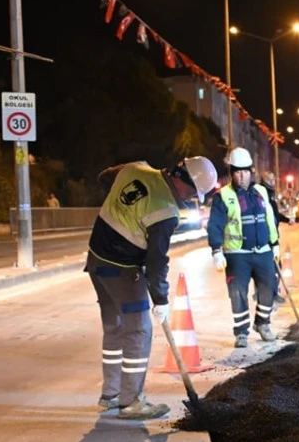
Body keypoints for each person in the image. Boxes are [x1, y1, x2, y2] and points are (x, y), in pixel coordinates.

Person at [86, 155, 218, 420]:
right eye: (194, 193)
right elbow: (157, 262)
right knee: (139, 330)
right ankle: (131, 401)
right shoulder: (166, 212)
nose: (191, 198)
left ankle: (110, 394)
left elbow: (104, 177)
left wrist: (122, 206)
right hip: (122, 269)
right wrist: (161, 300)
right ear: (187, 184)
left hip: (96, 261)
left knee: (114, 327)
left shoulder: (136, 168)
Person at [207, 148, 281, 348]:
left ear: (251, 171)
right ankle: (241, 332)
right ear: (232, 172)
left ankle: (262, 324)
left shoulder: (261, 192)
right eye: (238, 171)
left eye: (246, 171)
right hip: (237, 254)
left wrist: (275, 244)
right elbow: (215, 224)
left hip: (263, 251)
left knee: (270, 288)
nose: (243, 175)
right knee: (238, 293)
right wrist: (216, 250)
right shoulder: (223, 196)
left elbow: (270, 220)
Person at [261, 171, 292, 305]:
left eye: (274, 179)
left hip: (270, 236)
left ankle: (268, 293)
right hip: (268, 237)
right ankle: (270, 295)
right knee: (274, 267)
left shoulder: (269, 195)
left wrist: (286, 219)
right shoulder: (264, 195)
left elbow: (275, 215)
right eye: (271, 180)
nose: (273, 182)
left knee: (272, 267)